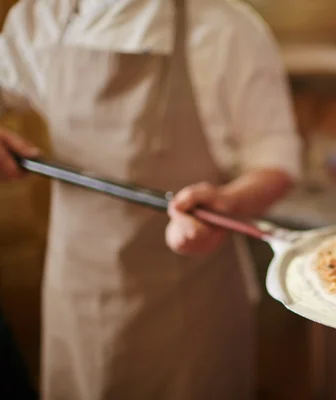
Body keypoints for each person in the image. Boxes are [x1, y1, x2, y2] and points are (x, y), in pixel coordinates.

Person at [0, 0, 301, 398]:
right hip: (75, 288)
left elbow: (276, 161)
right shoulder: (37, 18)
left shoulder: (225, 28)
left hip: (191, 306)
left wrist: (230, 202)